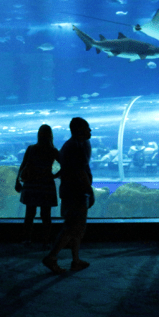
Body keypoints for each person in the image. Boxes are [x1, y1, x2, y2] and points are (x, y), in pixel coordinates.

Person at [42, 117, 92, 274]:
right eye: (87, 128)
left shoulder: (74, 145)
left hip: (71, 190)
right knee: (71, 227)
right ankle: (52, 256)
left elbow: (67, 168)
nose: (90, 130)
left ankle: (75, 260)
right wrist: (89, 190)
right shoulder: (75, 146)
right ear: (79, 130)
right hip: (76, 191)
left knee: (77, 228)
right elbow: (79, 171)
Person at [15, 124, 60, 247]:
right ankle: (46, 240)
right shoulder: (53, 150)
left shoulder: (31, 148)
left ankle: (27, 239)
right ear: (50, 135)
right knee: (46, 214)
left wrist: (17, 181)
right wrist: (55, 175)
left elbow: (23, 164)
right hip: (46, 184)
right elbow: (65, 164)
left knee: (30, 213)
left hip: (32, 183)